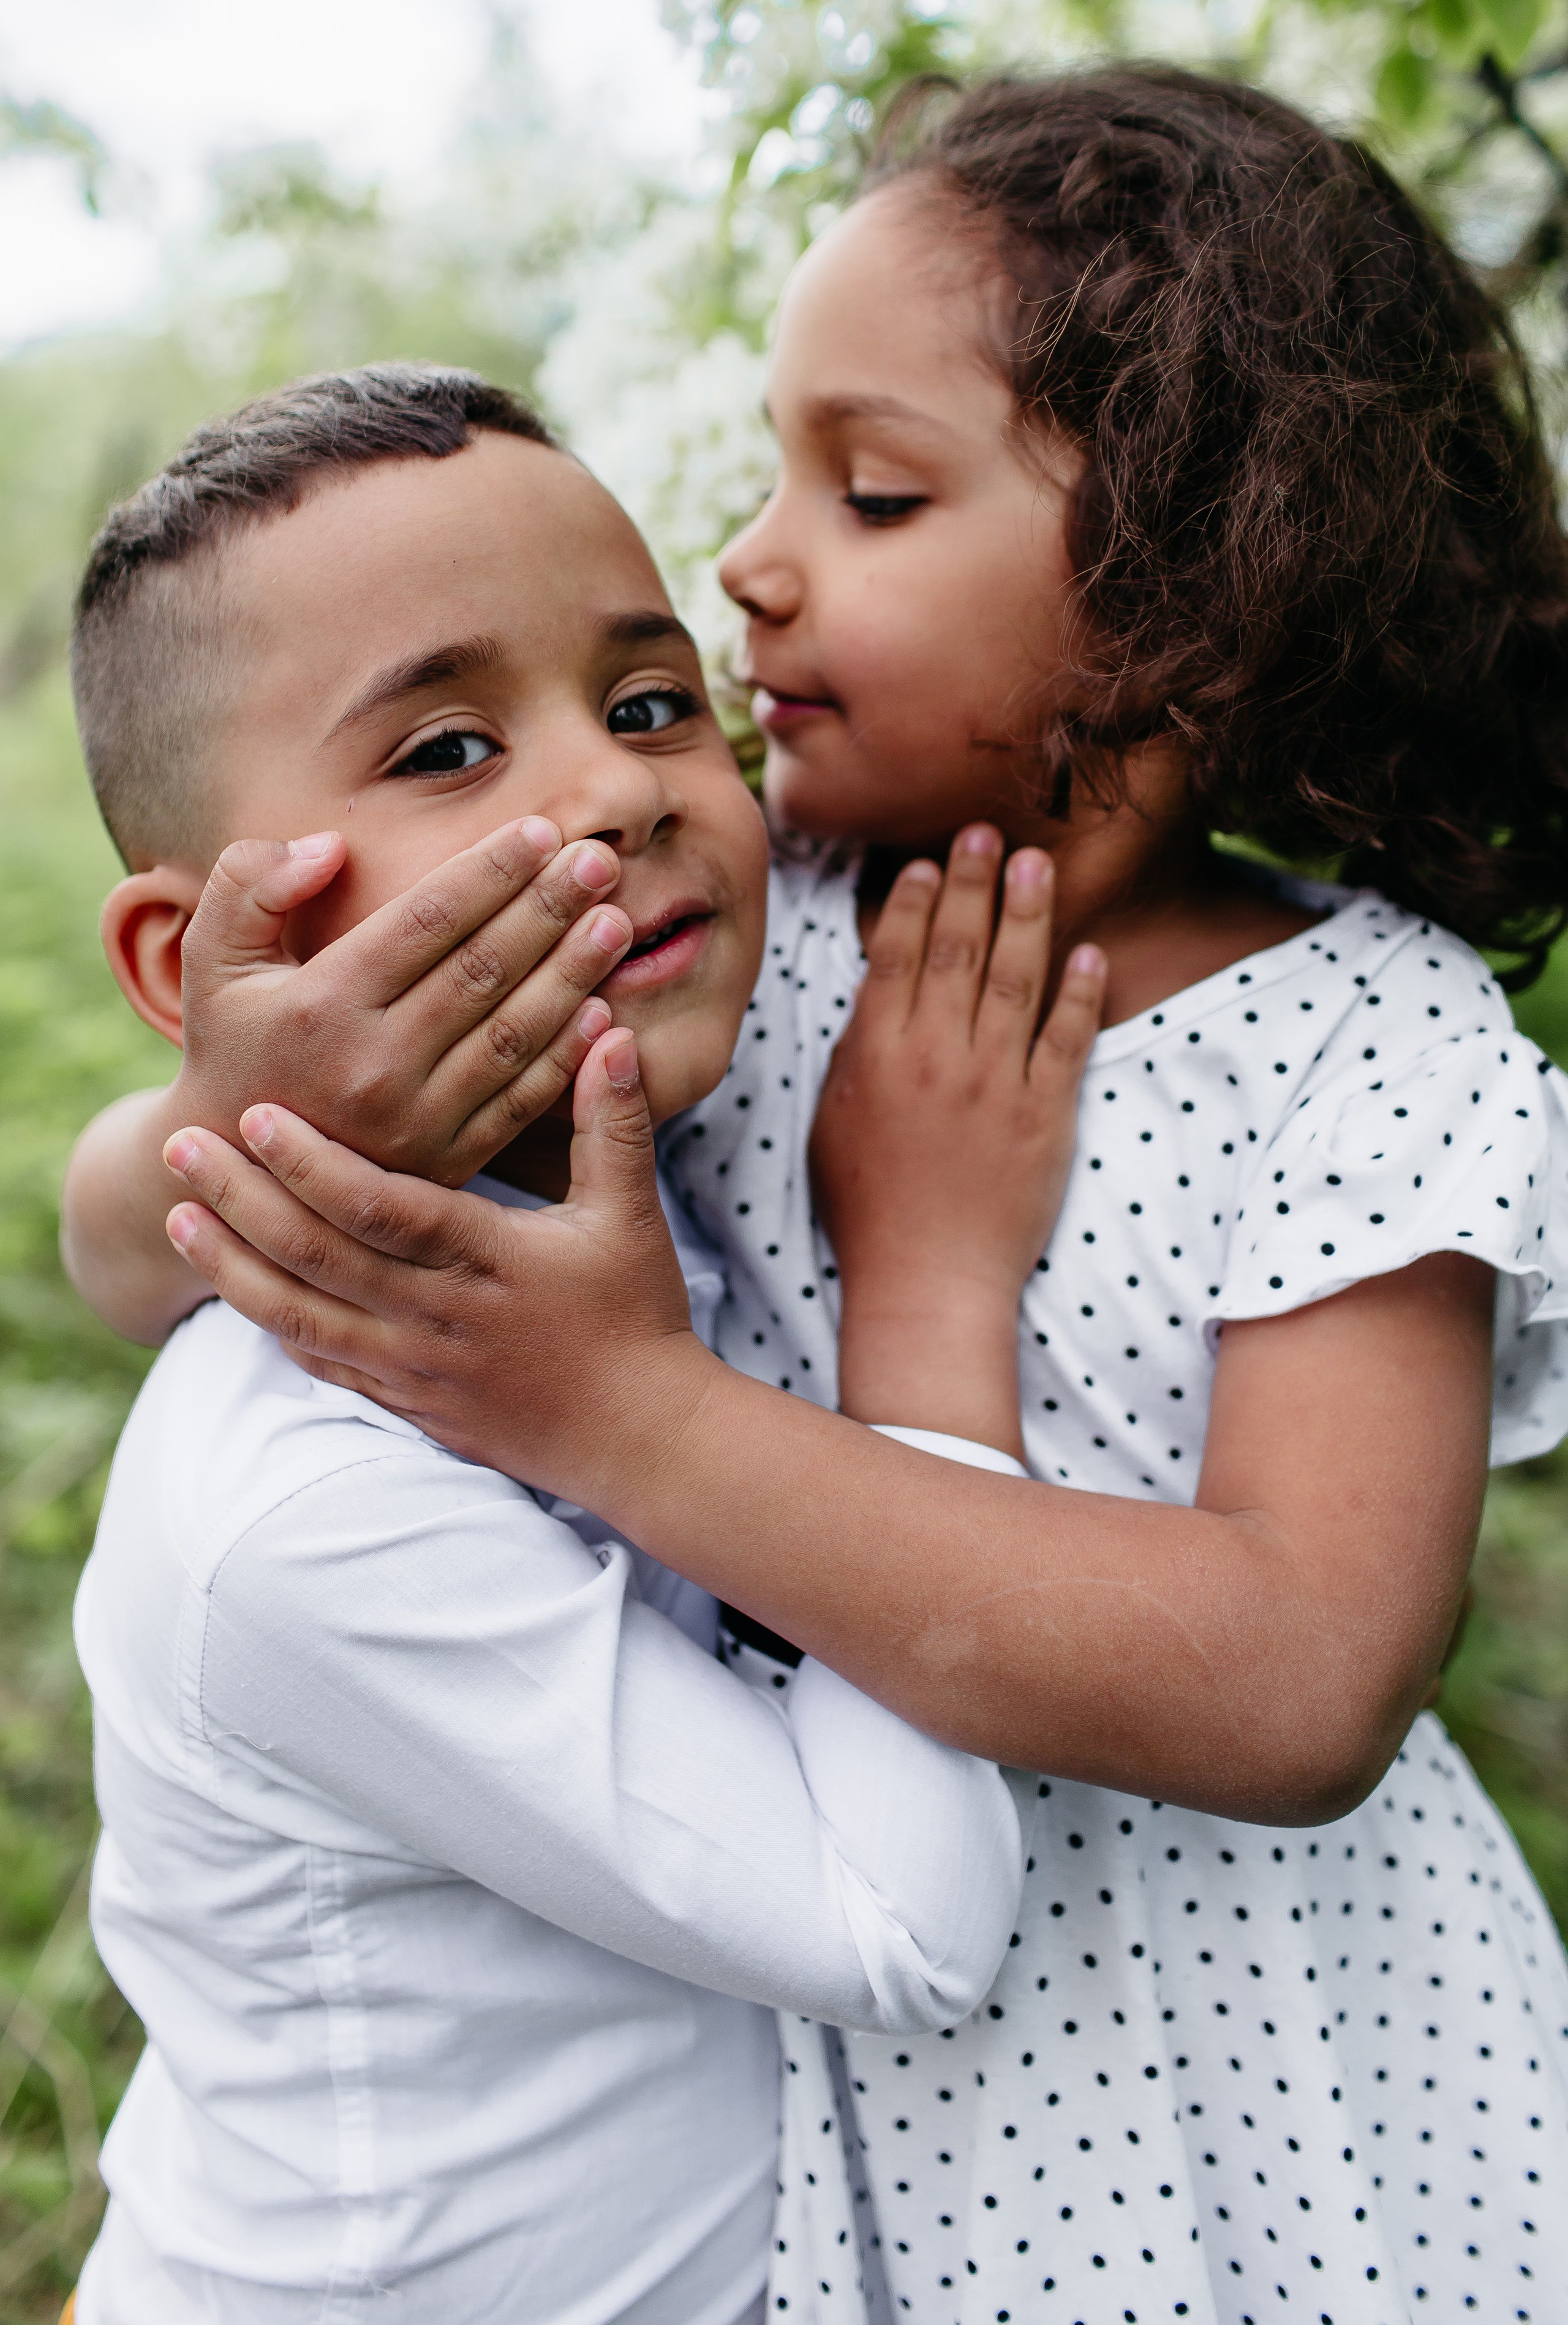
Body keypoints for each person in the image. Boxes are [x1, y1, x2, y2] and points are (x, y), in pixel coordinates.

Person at [66, 67, 1568, 2321]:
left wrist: (630, 1413)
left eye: (867, 491)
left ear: (1193, 585)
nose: (754, 562)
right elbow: (136, 1247)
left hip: (1249, 2087)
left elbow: (1301, 1682)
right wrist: (273, 1111)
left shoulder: (1362, 1047)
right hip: (827, 2058)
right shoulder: (747, 918)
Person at [59, 360, 1118, 2325]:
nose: (622, 788)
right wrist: (927, 1296)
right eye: (449, 748)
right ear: (198, 965)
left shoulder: (657, 1157)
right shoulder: (302, 1502)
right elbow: (900, 1921)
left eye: (652, 704)